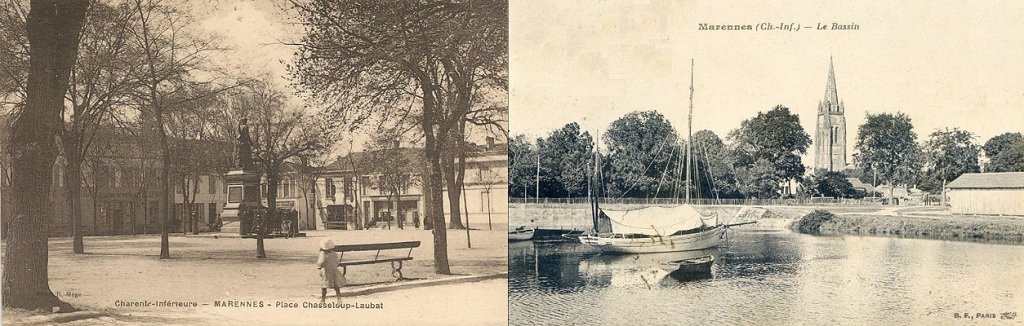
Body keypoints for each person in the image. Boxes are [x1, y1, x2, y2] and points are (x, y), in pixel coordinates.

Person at [317, 238, 343, 303]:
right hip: (334, 270)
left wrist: (319, 266)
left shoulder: (323, 254)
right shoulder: (334, 253)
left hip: (326, 271)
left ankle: (323, 299)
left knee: (324, 285)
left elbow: (321, 262)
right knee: (336, 285)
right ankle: (339, 298)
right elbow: (337, 261)